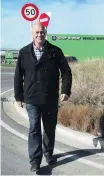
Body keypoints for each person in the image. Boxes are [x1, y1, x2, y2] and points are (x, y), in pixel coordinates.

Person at [14, 22, 72, 172]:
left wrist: (65, 90)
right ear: (32, 33)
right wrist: (18, 96)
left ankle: (48, 153)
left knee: (49, 128)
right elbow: (18, 76)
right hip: (32, 98)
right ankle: (35, 160)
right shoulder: (24, 52)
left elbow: (66, 72)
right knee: (34, 128)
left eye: (42, 32)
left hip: (50, 98)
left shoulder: (55, 51)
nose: (40, 35)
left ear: (45, 32)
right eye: (37, 32)